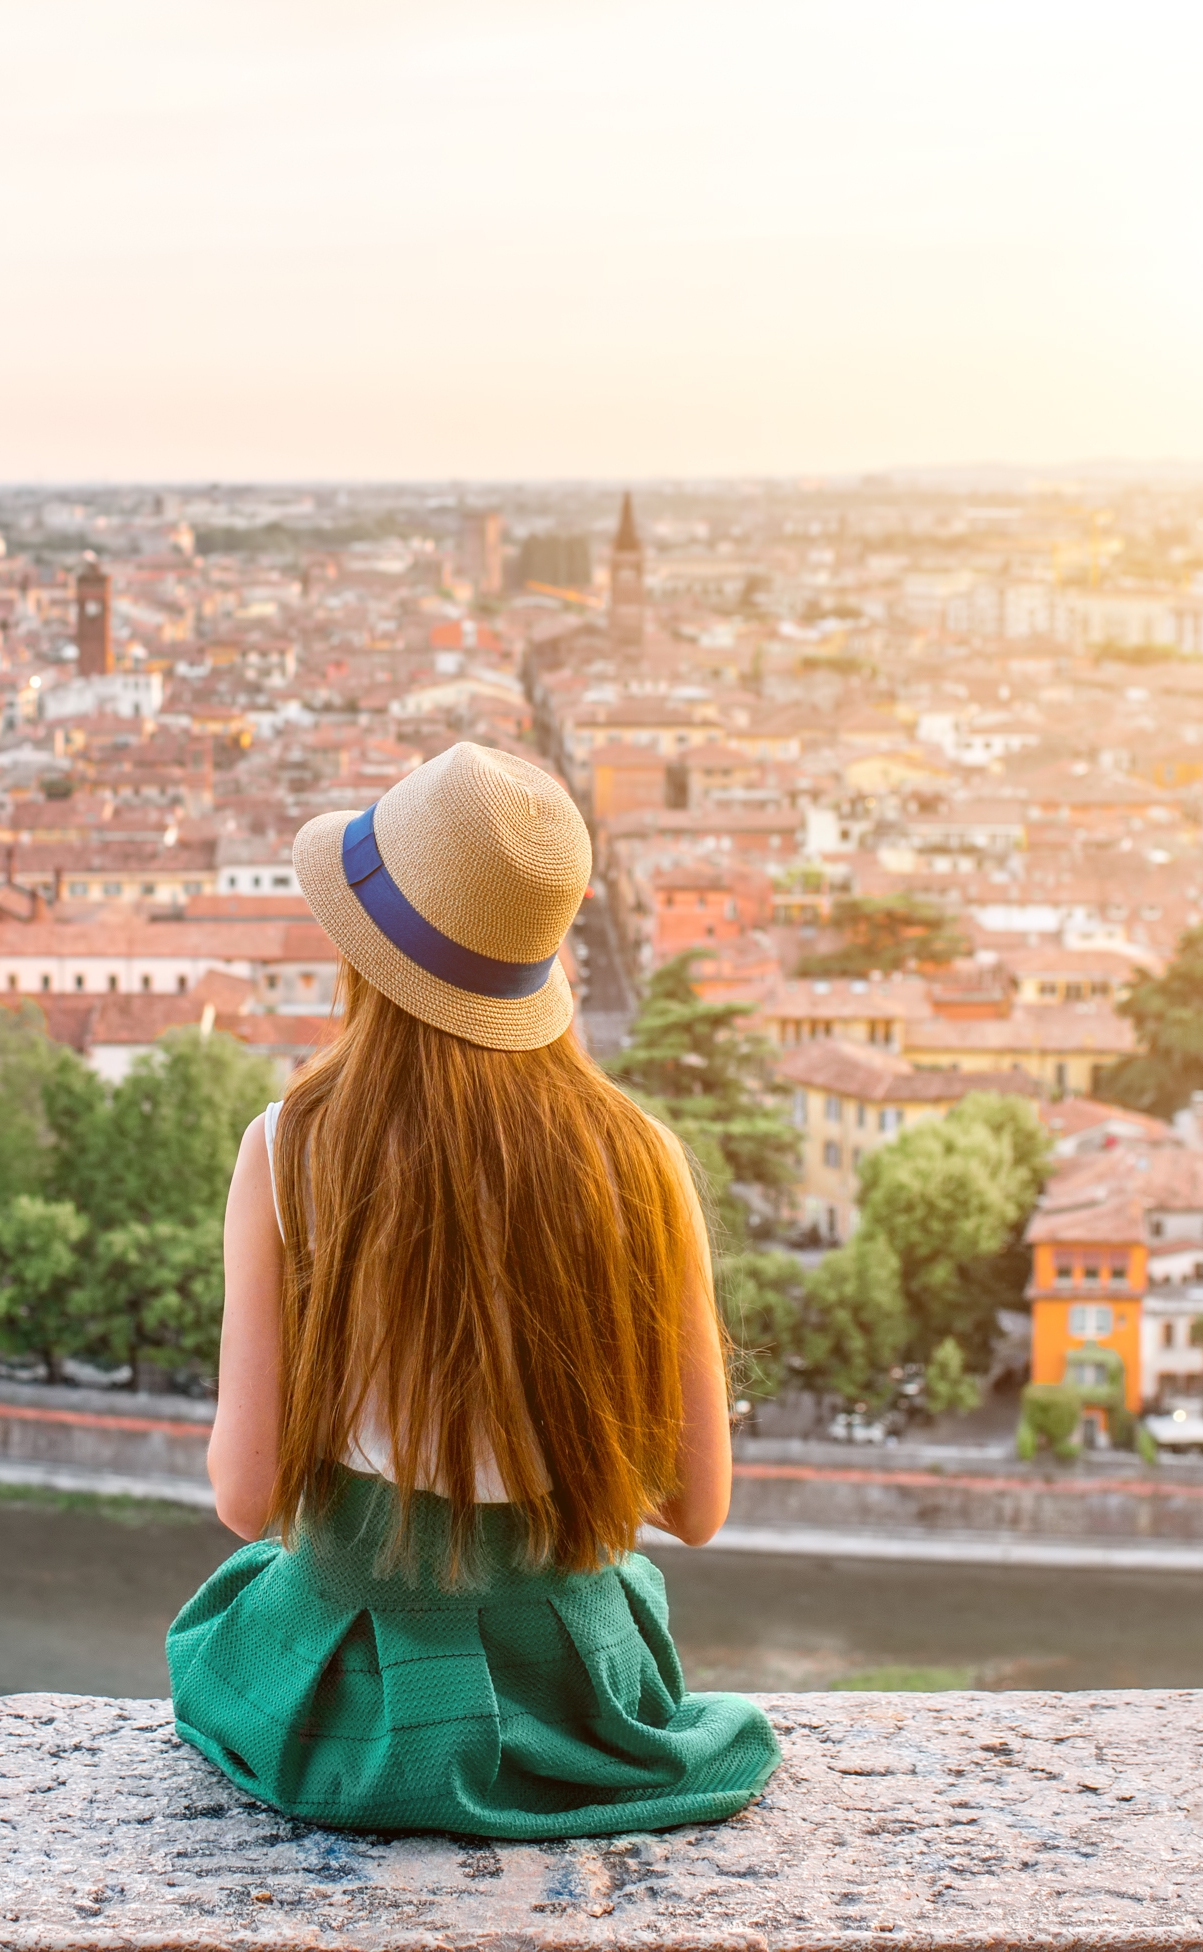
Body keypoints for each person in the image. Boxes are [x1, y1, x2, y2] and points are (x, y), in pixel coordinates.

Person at [167, 742, 778, 1839]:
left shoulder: (285, 1149)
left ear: (365, 955)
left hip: (358, 1703)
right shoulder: (641, 1158)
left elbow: (245, 1496)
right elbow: (697, 1504)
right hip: (579, 1697)